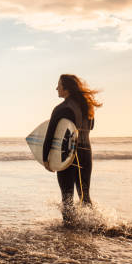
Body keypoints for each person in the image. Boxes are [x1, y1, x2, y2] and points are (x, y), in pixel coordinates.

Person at [43, 74, 102, 225]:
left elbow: (50, 135)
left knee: (67, 196)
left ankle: (69, 229)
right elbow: (91, 127)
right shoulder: (87, 107)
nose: (57, 88)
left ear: (66, 88)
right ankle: (94, 225)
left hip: (68, 154)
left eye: (59, 85)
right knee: (85, 195)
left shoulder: (61, 108)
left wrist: (46, 158)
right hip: (86, 153)